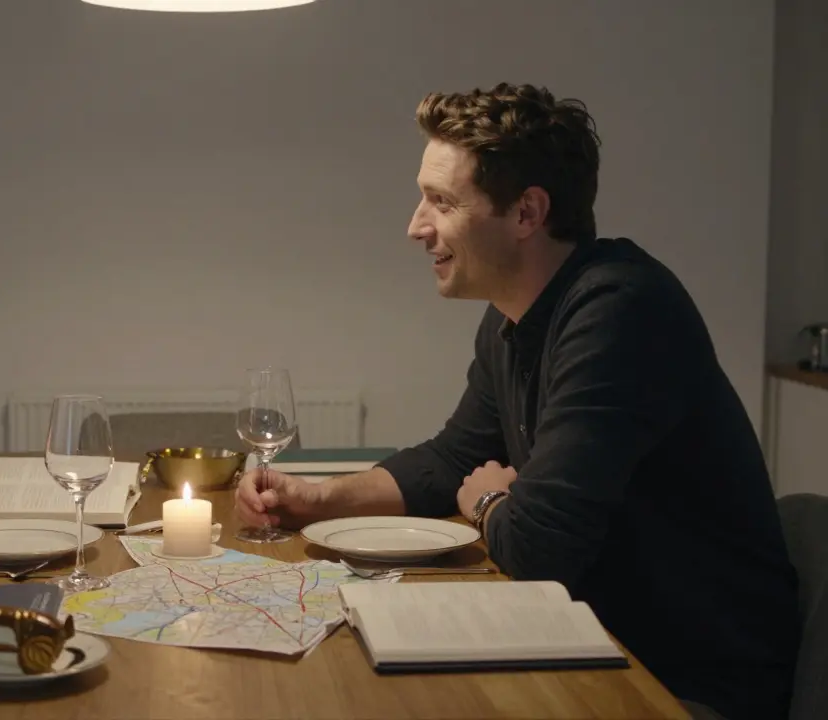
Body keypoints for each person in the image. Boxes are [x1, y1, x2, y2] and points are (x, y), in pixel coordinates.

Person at [234, 83, 800, 720]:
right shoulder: (513, 317)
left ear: (527, 213)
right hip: (592, 644)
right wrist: (319, 497)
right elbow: (454, 460)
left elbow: (537, 547)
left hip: (682, 685)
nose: (416, 226)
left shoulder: (620, 310)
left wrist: (490, 500)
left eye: (441, 202)